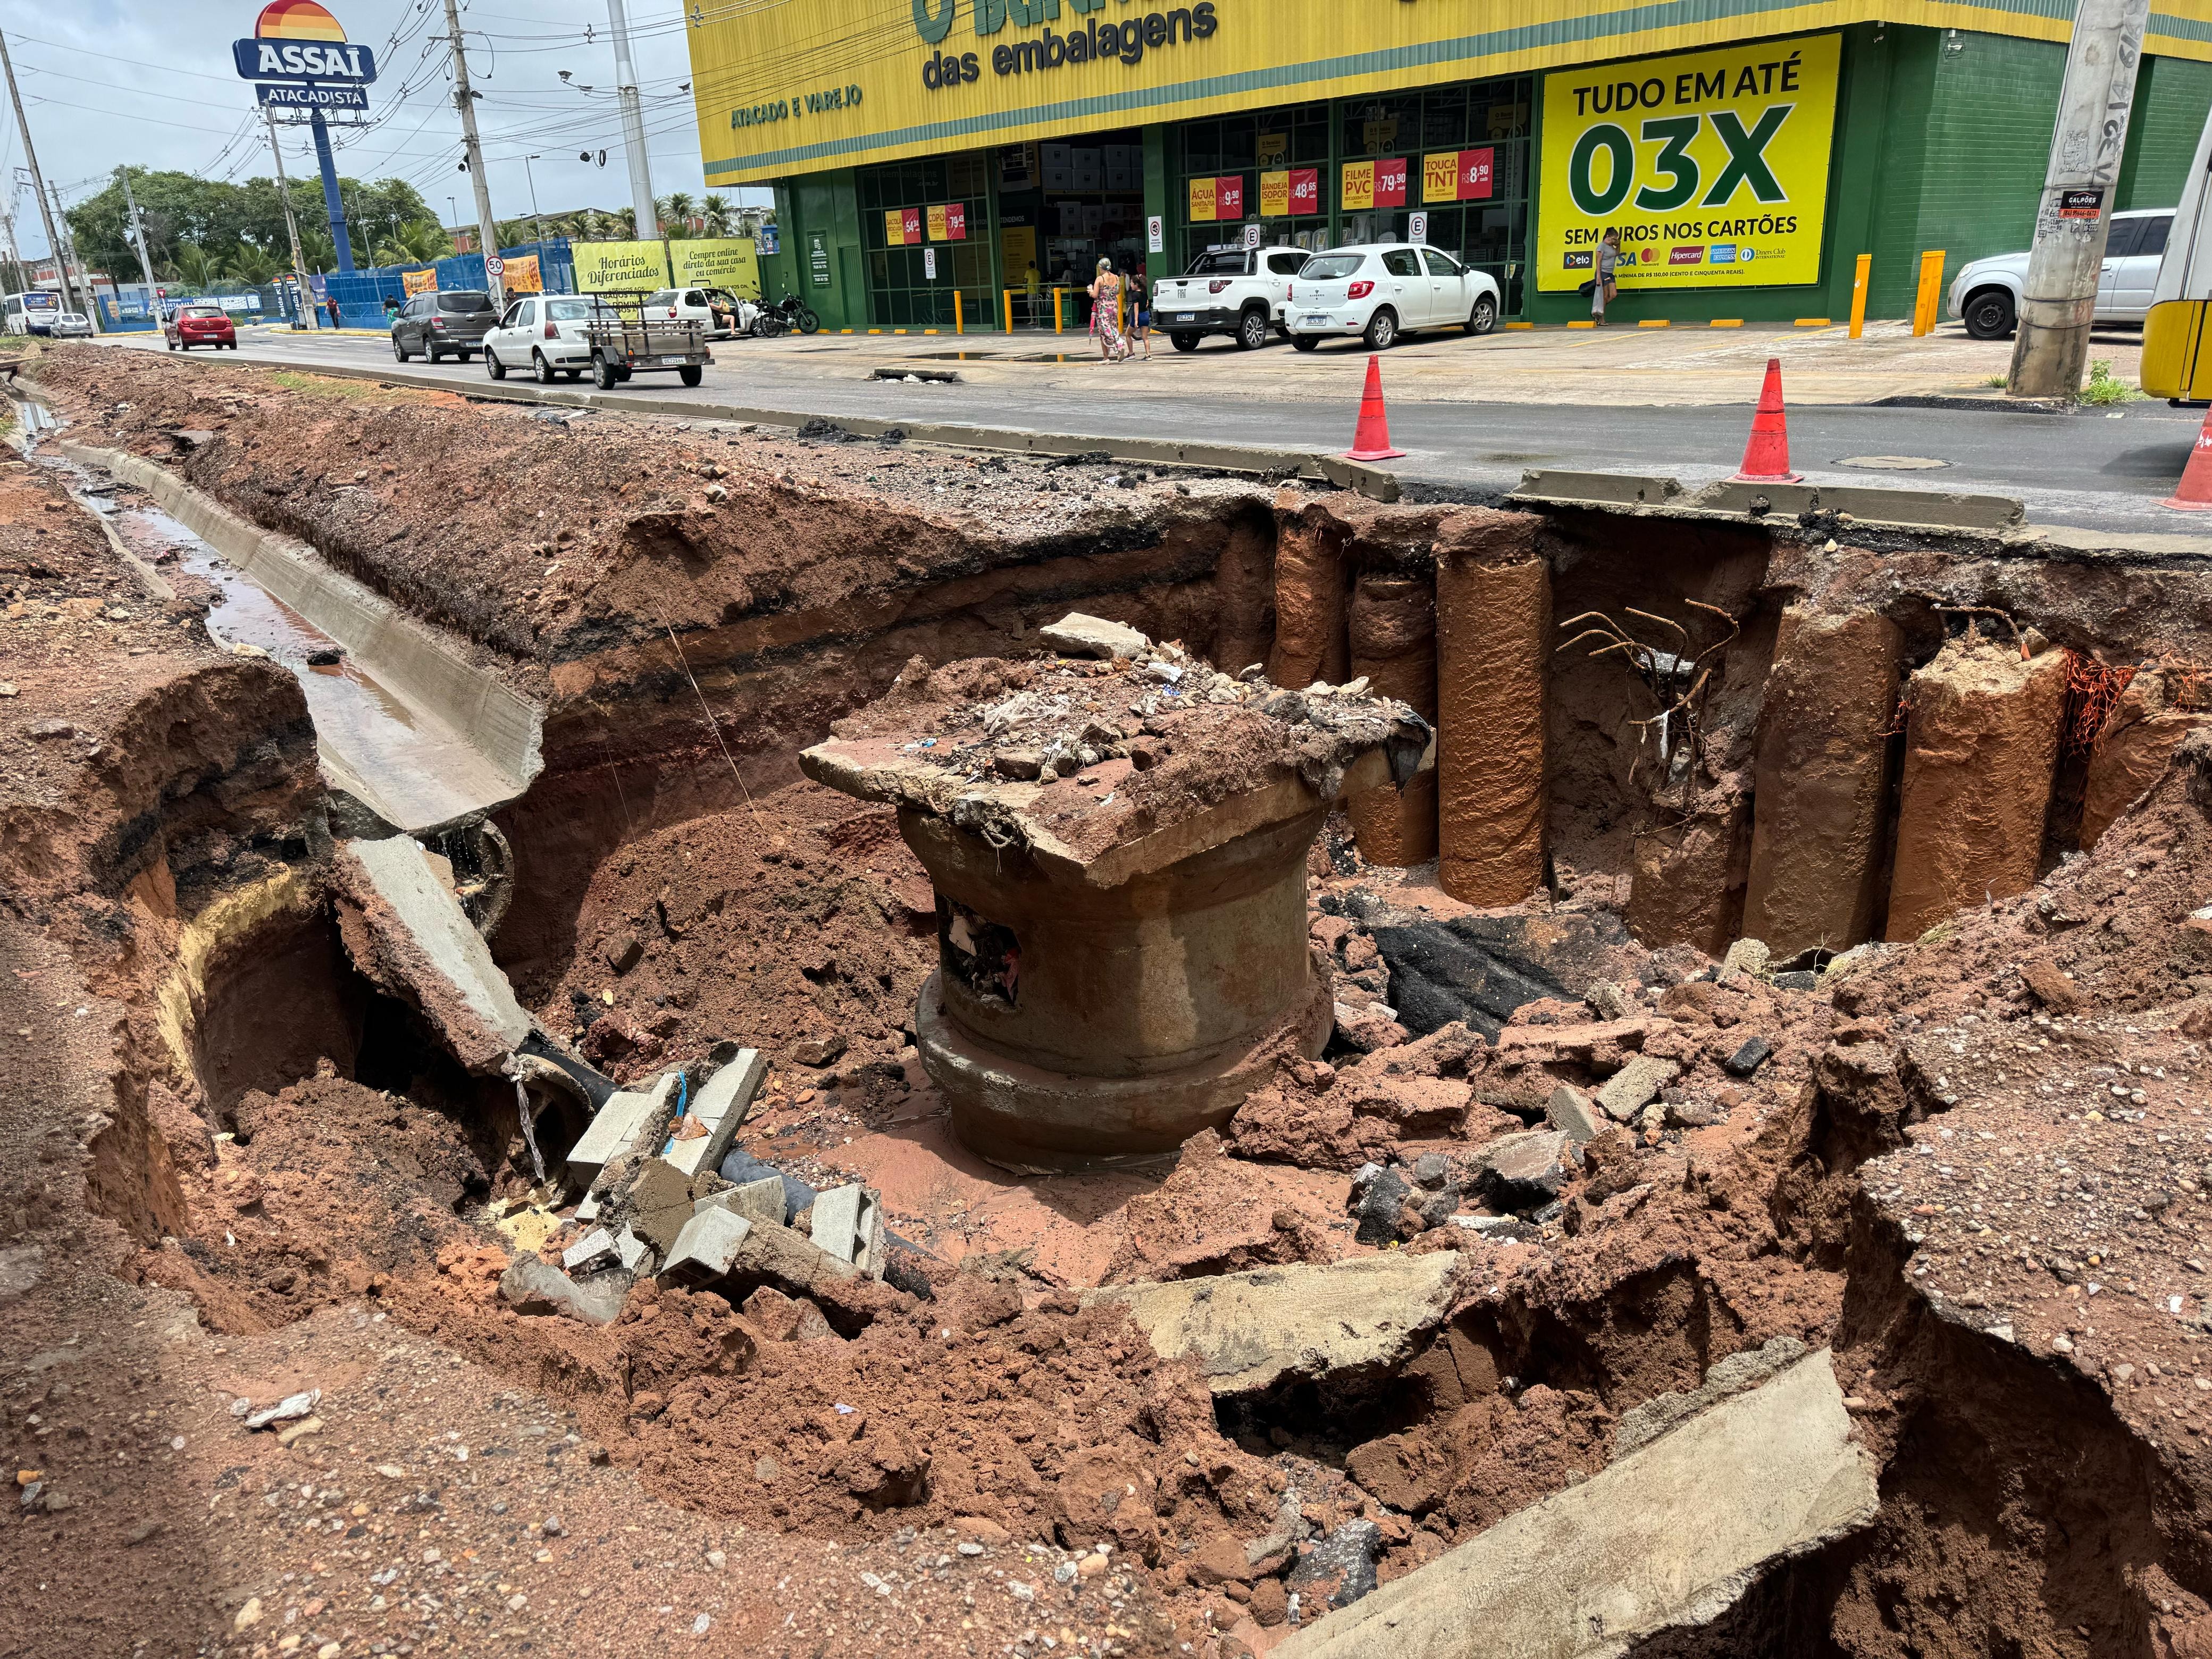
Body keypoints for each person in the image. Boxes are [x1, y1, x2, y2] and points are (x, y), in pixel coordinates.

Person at [1087, 257, 1129, 362]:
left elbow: (1095, 295)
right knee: (1112, 327)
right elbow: (1118, 292)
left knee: (1105, 329)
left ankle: (1118, 344)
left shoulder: (1100, 279)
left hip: (1104, 307)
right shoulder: (1116, 277)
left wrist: (1090, 290)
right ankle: (1106, 356)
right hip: (1114, 306)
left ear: (1101, 268)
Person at [1591, 228, 1620, 325]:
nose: (1614, 241)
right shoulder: (1601, 246)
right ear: (1607, 236)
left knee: (1613, 294)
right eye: (1613, 239)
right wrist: (1599, 277)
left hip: (1610, 273)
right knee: (1605, 296)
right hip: (1603, 273)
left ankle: (1598, 312)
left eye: (1615, 240)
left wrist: (1618, 245)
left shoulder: (1611, 246)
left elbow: (1616, 254)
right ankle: (1601, 318)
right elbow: (1598, 263)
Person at [1126, 265, 1151, 360]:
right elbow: (1147, 303)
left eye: (1132, 283)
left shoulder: (1135, 295)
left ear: (1136, 285)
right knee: (1145, 337)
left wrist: (1136, 321)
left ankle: (1131, 353)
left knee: (1128, 334)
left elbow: (1136, 308)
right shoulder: (1144, 293)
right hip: (1145, 315)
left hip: (1139, 316)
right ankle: (1148, 355)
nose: (1130, 285)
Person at [1024, 260, 1042, 328]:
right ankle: (1037, 320)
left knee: (1031, 307)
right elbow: (1039, 280)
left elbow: (1025, 280)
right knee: (1037, 307)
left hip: (1031, 290)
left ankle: (1032, 320)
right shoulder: (1038, 272)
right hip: (1037, 290)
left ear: (1029, 265)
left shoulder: (1028, 272)